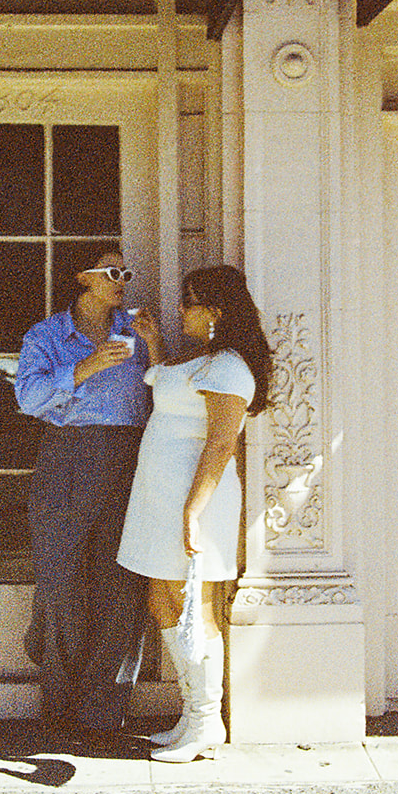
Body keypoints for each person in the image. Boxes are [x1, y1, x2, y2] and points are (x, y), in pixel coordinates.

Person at [117, 265, 272, 762]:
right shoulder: (206, 360)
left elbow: (222, 443)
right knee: (163, 600)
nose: (181, 308)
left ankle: (208, 722)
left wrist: (192, 512)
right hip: (160, 497)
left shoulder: (229, 367)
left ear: (217, 310)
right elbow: (173, 397)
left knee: (193, 605)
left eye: (189, 301)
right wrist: (155, 344)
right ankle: (191, 714)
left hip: (192, 501)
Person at [14, 246, 162, 740]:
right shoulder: (49, 335)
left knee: (121, 584)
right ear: (83, 277)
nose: (123, 280)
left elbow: (166, 393)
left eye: (126, 271)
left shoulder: (137, 331)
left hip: (128, 457)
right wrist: (86, 367)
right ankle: (59, 701)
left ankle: (103, 709)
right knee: (59, 583)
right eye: (112, 271)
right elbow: (29, 398)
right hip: (66, 455)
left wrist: (156, 346)